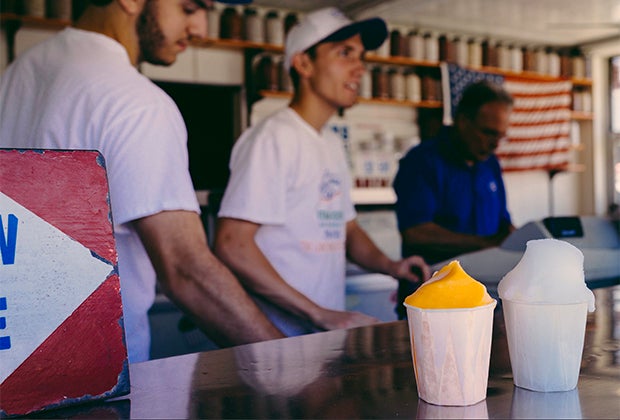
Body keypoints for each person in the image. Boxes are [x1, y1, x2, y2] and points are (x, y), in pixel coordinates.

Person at [0, 0, 285, 363]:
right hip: (102, 375)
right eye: (189, 8)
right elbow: (186, 271)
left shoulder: (15, 75)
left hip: (16, 367)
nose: (200, 29)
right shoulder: (136, 102)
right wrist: (291, 365)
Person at [214, 7, 431, 337]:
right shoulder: (273, 138)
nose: (360, 67)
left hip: (321, 338)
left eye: (361, 56)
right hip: (276, 341)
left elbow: (348, 229)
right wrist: (318, 314)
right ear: (303, 64)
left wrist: (392, 266)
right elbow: (232, 244)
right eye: (345, 53)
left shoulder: (330, 142)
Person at [392, 80, 516, 318]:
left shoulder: (490, 164)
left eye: (501, 136)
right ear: (462, 121)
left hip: (484, 298)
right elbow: (416, 232)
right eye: (488, 133)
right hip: (433, 303)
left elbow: (503, 223)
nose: (494, 144)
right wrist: (484, 243)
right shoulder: (422, 162)